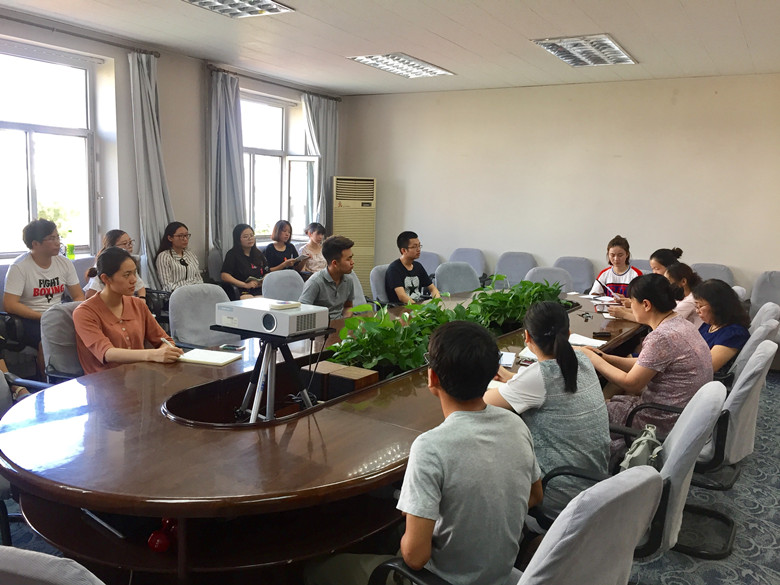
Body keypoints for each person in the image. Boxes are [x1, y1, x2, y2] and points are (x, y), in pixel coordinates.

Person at [304, 321, 542, 585]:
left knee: (317, 570)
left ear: (432, 377)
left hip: (438, 579)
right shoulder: (516, 425)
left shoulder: (431, 447)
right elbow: (535, 495)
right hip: (499, 574)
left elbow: (415, 558)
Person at [484, 301, 609, 514]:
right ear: (568, 333)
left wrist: (506, 381)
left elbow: (484, 401)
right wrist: (511, 378)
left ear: (527, 337)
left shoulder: (537, 377)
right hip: (594, 485)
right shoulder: (582, 359)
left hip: (558, 496)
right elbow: (548, 385)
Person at [582, 274, 712, 436]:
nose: (630, 307)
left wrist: (592, 359)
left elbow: (632, 384)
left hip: (660, 420)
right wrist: (605, 357)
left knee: (584, 411)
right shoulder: (681, 323)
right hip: (682, 413)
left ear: (646, 304)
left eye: (632, 302)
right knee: (604, 402)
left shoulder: (662, 337)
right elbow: (645, 364)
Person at [73, 247, 183, 375]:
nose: (134, 280)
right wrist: (153, 354)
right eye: (126, 275)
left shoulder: (137, 305)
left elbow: (165, 341)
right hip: (103, 381)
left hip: (140, 377)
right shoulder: (84, 313)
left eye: (134, 273)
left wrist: (166, 351)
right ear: (106, 279)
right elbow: (107, 353)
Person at [3, 219, 85, 351]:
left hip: (60, 315)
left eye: (58, 237)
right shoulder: (19, 267)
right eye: (51, 238)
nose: (58, 242)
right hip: (31, 319)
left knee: (86, 334)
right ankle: (46, 365)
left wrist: (71, 314)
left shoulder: (65, 263)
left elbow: (78, 295)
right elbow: (10, 304)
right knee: (50, 340)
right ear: (35, 243)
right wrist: (44, 317)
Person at [693, 279, 751, 375]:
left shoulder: (734, 334)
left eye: (700, 306)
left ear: (717, 306)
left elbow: (707, 369)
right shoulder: (710, 324)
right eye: (696, 306)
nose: (697, 311)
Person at [299, 236, 355, 320]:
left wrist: (345, 320)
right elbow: (301, 313)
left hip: (340, 324)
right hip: (320, 326)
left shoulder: (348, 280)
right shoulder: (315, 282)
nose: (352, 262)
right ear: (335, 263)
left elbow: (348, 306)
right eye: (348, 259)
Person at [85, 230, 146, 299]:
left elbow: (140, 286)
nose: (130, 246)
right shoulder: (104, 266)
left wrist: (142, 298)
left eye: (130, 242)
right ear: (112, 248)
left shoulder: (128, 263)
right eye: (125, 243)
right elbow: (89, 296)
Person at [384, 231, 441, 304]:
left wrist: (437, 302)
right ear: (404, 250)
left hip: (417, 306)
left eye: (419, 246)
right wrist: (418, 308)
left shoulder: (418, 266)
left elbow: (432, 288)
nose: (418, 249)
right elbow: (402, 296)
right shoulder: (394, 269)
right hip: (402, 309)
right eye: (414, 247)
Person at [220, 224, 269, 299]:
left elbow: (267, 272)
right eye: (246, 237)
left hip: (260, 288)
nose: (250, 239)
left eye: (251, 235)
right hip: (242, 290)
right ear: (238, 239)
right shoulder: (232, 254)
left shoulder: (259, 254)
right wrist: (245, 285)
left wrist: (264, 280)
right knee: (253, 300)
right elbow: (224, 276)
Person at [154, 221, 203, 291]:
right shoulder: (164, 257)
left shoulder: (191, 255)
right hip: (176, 294)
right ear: (170, 238)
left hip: (195, 292)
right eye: (181, 236)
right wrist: (187, 291)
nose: (185, 239)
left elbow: (199, 279)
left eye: (186, 235)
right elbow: (167, 285)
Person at [664, 262, 703, 328]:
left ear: (683, 281)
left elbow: (668, 322)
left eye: (668, 281)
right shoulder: (679, 296)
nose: (666, 285)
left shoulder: (691, 300)